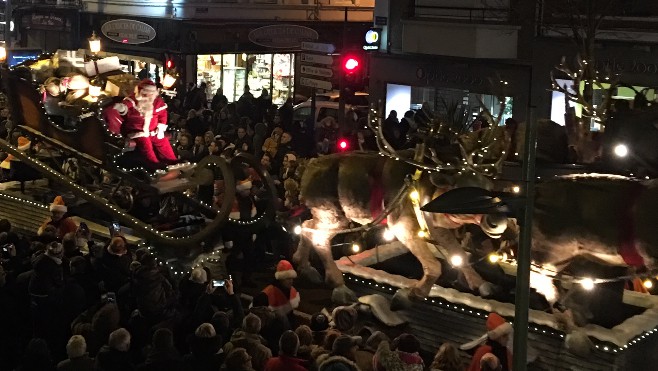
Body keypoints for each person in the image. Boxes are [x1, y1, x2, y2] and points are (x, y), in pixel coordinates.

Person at [104, 79, 177, 170]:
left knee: (163, 141)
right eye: (146, 93)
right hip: (137, 130)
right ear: (141, 92)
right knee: (146, 145)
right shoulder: (134, 99)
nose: (148, 96)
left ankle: (172, 162)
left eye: (151, 94)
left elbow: (163, 115)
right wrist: (121, 107)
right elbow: (126, 105)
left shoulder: (157, 102)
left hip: (153, 130)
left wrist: (160, 127)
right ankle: (154, 165)